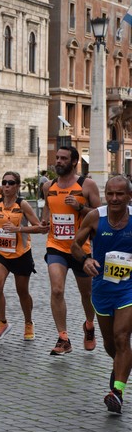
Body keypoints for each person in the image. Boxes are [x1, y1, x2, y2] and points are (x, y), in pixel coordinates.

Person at [71, 175, 132, 414]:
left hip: (128, 288)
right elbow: (75, 245)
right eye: (110, 193)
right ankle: (120, 367)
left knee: (121, 336)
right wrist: (85, 260)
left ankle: (117, 392)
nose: (114, 198)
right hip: (102, 288)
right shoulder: (96, 217)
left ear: (129, 196)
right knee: (110, 345)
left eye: (120, 194)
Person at [41, 145, 101, 355]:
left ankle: (89, 325)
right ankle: (63, 338)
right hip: (55, 245)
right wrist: (44, 221)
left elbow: (99, 215)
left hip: (80, 248)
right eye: (57, 158)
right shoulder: (49, 186)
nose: (58, 161)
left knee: (87, 294)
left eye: (63, 158)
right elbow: (48, 209)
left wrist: (79, 207)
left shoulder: (87, 185)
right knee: (57, 290)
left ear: (74, 162)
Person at [0, 171, 49, 341]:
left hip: (21, 253)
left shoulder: (22, 205)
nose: (6, 186)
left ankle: (28, 322)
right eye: (4, 182)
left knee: (22, 292)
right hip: (2, 252)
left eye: (10, 183)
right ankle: (2, 322)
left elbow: (39, 228)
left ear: (17, 186)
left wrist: (19, 229)